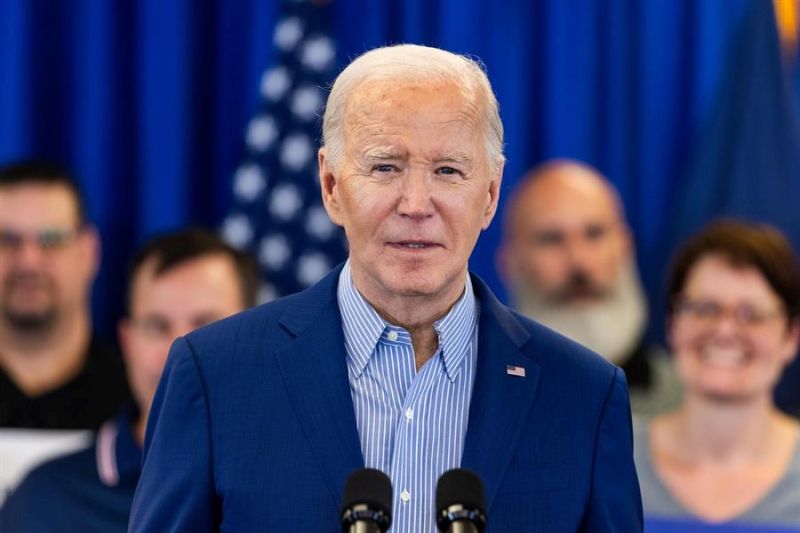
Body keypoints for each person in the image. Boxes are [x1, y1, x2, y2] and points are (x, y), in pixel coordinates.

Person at [130, 44, 642, 532]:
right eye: (385, 167)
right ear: (331, 186)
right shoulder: (215, 376)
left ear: (489, 195)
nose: (416, 204)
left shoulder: (584, 396)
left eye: (447, 170)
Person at [0, 228, 259, 531]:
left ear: (257, 338)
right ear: (127, 343)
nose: (179, 355)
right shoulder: (44, 503)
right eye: (156, 326)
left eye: (206, 326)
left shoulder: (308, 482)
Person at [634, 219, 800, 531]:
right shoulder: (611, 465)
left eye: (751, 314)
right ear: (672, 323)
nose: (724, 330)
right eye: (705, 308)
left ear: (791, 337)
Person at [499, 159, 681, 418]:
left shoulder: (688, 399)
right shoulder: (477, 403)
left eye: (594, 234)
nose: (579, 261)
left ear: (625, 247)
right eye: (552, 239)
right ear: (510, 262)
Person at [0, 160, 130, 429]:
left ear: (89, 252)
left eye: (51, 239)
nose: (28, 262)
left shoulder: (138, 402)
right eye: (6, 240)